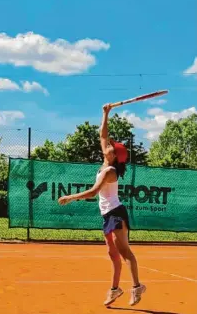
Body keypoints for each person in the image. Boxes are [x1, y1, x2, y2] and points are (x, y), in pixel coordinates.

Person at [58, 104, 146, 307]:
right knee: (112, 254)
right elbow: (102, 134)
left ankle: (137, 286)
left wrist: (70, 197)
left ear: (114, 155)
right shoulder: (106, 162)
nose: (106, 146)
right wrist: (105, 113)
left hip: (116, 213)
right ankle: (116, 289)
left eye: (110, 147)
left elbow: (93, 192)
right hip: (107, 214)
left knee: (125, 252)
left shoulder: (110, 171)